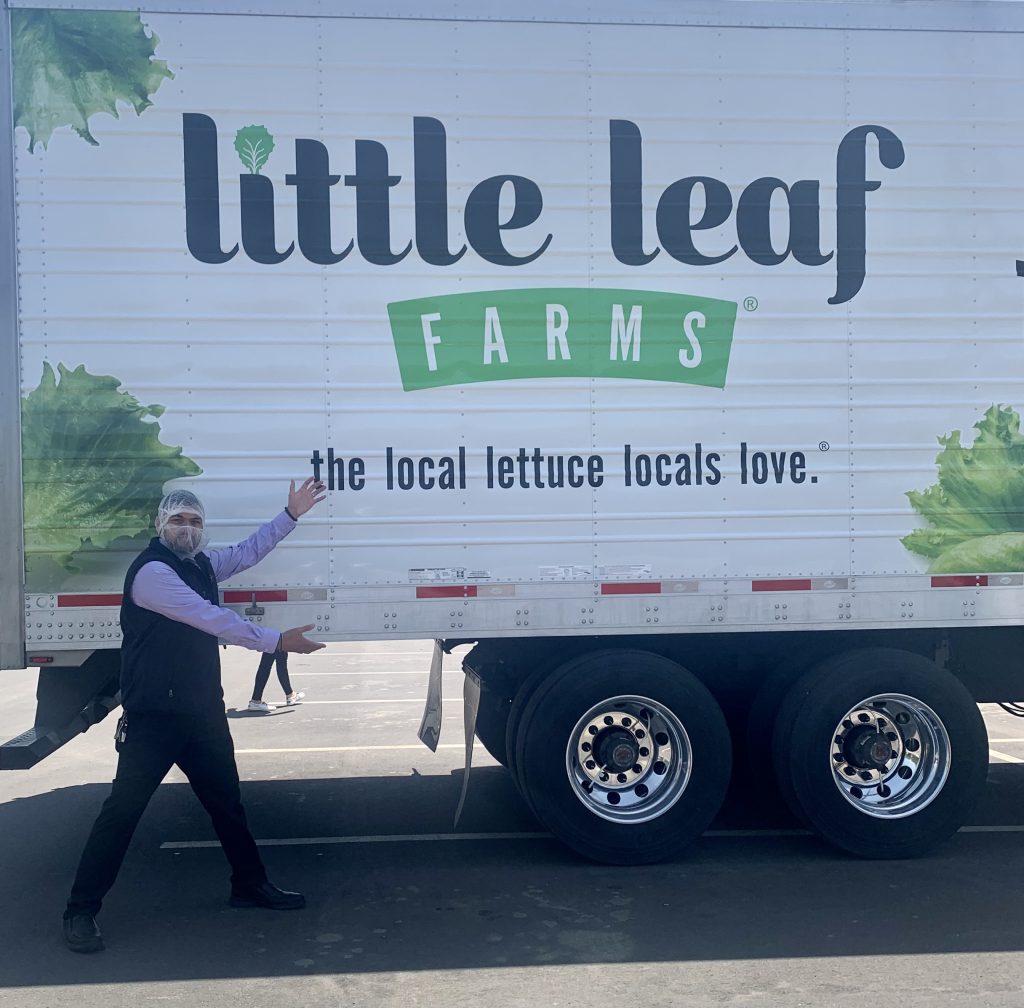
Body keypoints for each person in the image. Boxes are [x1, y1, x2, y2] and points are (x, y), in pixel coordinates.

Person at [62, 478, 326, 954]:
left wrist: (290, 516)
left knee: (228, 805)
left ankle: (249, 885)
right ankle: (80, 911)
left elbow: (246, 552)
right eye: (179, 520)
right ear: (159, 524)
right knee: (121, 815)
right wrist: (275, 641)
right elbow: (212, 619)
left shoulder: (200, 564)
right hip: (154, 720)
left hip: (202, 714)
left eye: (195, 522)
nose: (188, 528)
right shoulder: (153, 574)